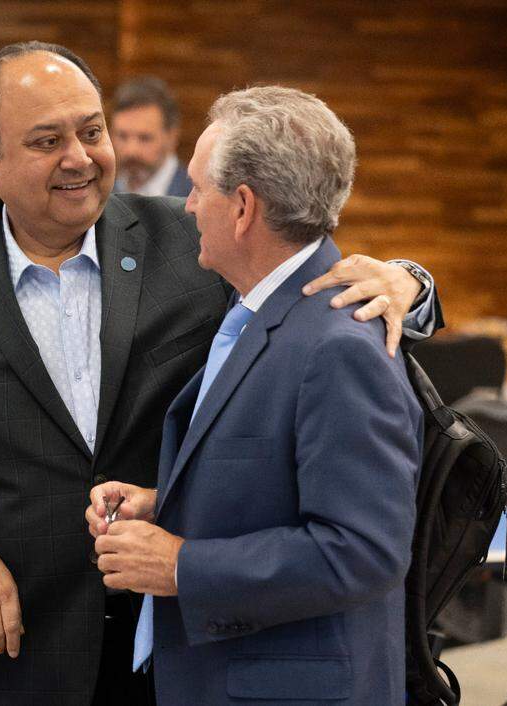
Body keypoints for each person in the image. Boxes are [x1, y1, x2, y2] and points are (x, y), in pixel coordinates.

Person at [0, 41, 438, 706]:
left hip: (191, 651)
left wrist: (409, 283)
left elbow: (309, 284)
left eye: (91, 130)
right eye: (47, 140)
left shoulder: (196, 242)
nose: (79, 157)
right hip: (19, 660)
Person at [88, 86, 421, 705]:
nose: (186, 207)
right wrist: (166, 507)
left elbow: (364, 550)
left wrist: (182, 564)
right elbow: (281, 487)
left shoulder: (334, 345)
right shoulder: (268, 313)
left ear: (242, 207)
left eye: (196, 188)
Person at [111, 76, 191, 197]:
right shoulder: (101, 196)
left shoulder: (193, 197)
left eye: (144, 138)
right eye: (122, 137)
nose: (131, 150)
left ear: (172, 138)